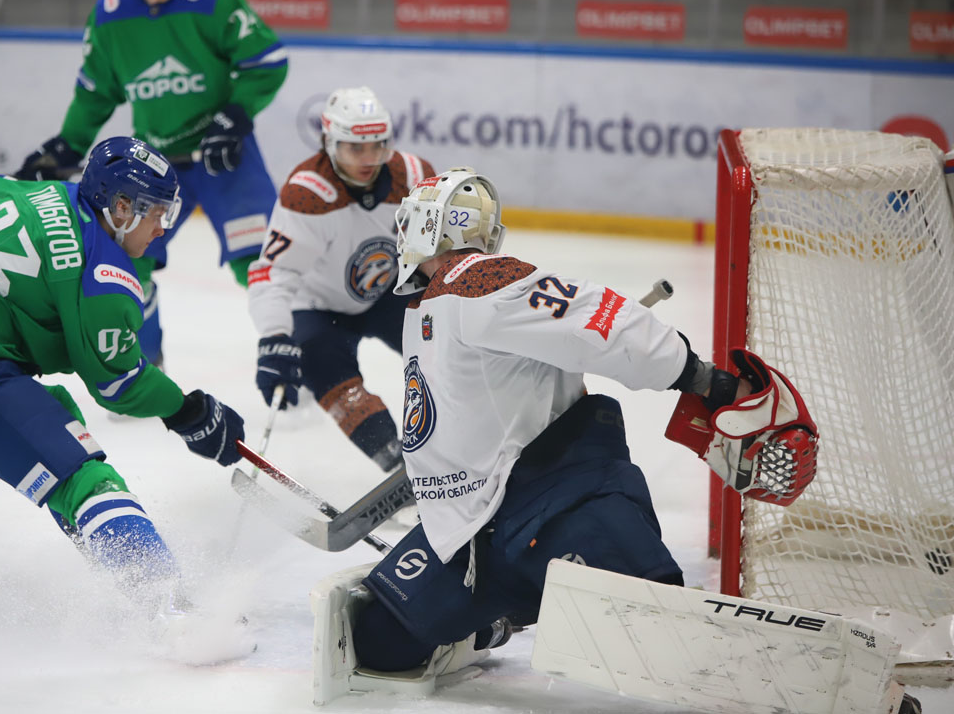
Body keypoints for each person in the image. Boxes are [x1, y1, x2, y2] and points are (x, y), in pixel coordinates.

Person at [312, 167, 919, 713]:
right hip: (472, 532)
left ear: (429, 227)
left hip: (557, 501)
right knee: (377, 641)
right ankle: (504, 615)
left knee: (668, 637)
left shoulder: (479, 279)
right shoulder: (428, 304)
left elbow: (601, 319)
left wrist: (705, 381)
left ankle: (862, 695)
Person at [0, 136, 246, 608]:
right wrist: (187, 411)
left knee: (59, 423)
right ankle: (169, 607)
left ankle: (124, 571)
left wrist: (35, 180)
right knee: (81, 472)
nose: (162, 228)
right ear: (121, 208)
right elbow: (118, 384)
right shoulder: (104, 278)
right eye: (156, 213)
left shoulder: (39, 193)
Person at [15, 0, 288, 365]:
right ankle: (141, 366)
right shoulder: (110, 14)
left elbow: (267, 61)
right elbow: (96, 93)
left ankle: (293, 359)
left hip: (223, 156)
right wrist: (68, 145)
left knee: (260, 261)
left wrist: (236, 114)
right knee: (125, 264)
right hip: (155, 167)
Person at [246, 87, 435, 471]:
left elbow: (437, 249)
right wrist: (274, 337)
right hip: (318, 306)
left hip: (389, 291)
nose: (368, 160)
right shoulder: (308, 193)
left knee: (444, 346)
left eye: (378, 147)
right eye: (354, 149)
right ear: (329, 144)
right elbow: (276, 272)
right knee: (325, 372)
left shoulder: (415, 177)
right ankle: (398, 466)